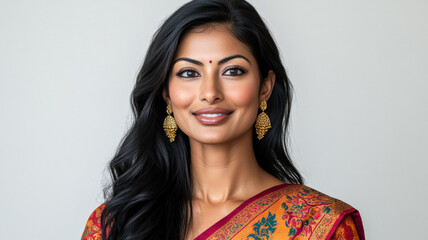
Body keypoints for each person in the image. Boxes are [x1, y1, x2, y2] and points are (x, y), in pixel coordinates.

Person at [81, 0, 365, 239]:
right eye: (189, 74)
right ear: (166, 93)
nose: (210, 93)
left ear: (265, 86)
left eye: (232, 71)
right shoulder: (115, 225)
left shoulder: (319, 226)